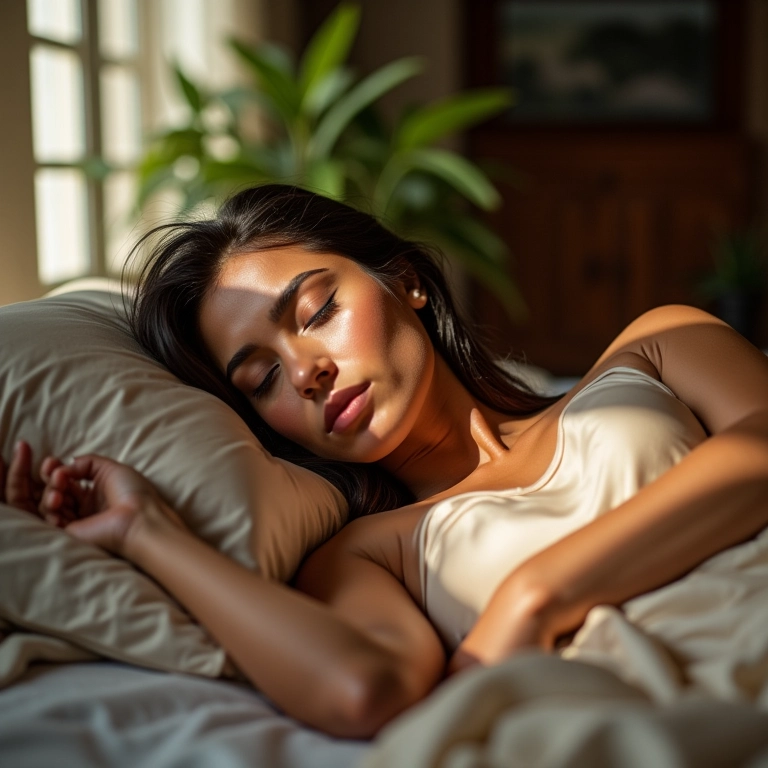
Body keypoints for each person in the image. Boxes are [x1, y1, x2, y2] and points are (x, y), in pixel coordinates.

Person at [2, 184, 768, 739]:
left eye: (315, 312)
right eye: (262, 378)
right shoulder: (370, 553)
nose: (305, 372)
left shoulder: (660, 344)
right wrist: (147, 533)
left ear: (404, 281)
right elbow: (363, 691)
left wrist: (534, 596)